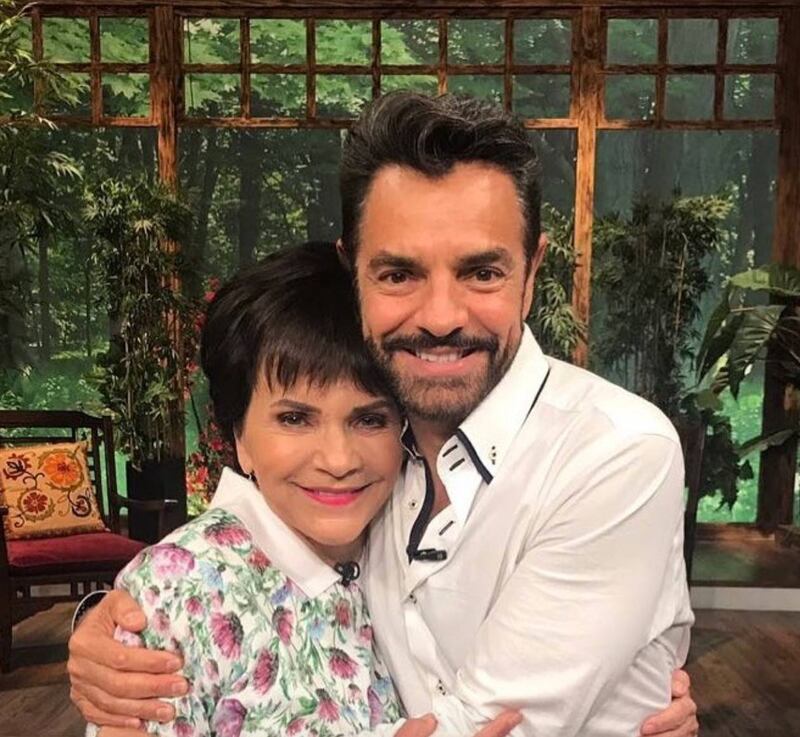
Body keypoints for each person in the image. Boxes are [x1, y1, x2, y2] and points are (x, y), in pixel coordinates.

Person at [68, 93, 698, 737]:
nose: (441, 317)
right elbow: (233, 569)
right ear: (355, 275)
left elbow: (486, 726)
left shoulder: (612, 452)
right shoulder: (380, 473)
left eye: (482, 272)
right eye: (399, 274)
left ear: (532, 271)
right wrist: (128, 616)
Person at [84, 242, 521, 737]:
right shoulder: (181, 588)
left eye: (370, 419)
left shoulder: (408, 537)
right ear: (239, 436)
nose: (338, 460)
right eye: (294, 419)